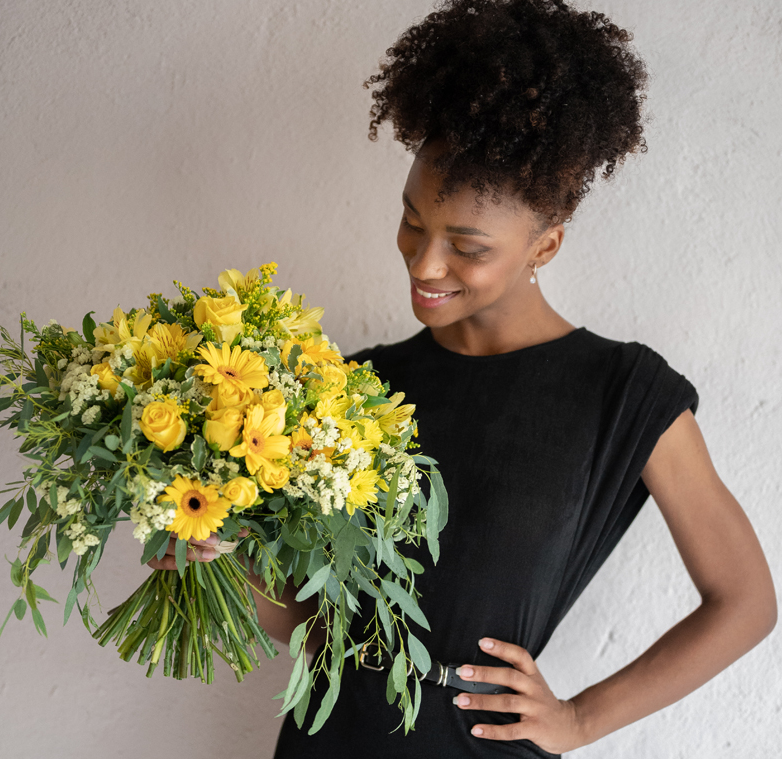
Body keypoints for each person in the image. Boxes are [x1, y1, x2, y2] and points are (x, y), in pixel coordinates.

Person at [150, 0, 776, 756]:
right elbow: (319, 625)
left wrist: (580, 719)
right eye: (412, 221)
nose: (424, 263)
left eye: (467, 246)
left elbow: (746, 602)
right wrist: (217, 563)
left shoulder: (624, 394)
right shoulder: (353, 387)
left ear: (545, 245)